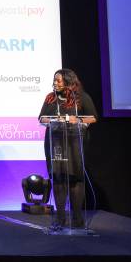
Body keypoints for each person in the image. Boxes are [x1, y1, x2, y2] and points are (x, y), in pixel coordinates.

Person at [39, 69, 97, 228]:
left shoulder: (81, 98)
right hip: (55, 144)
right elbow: (41, 117)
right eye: (54, 80)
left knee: (75, 179)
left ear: (68, 81)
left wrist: (75, 119)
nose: (55, 83)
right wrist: (53, 120)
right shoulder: (51, 98)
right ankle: (60, 217)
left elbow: (92, 117)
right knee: (58, 178)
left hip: (75, 144)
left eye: (58, 80)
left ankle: (77, 217)